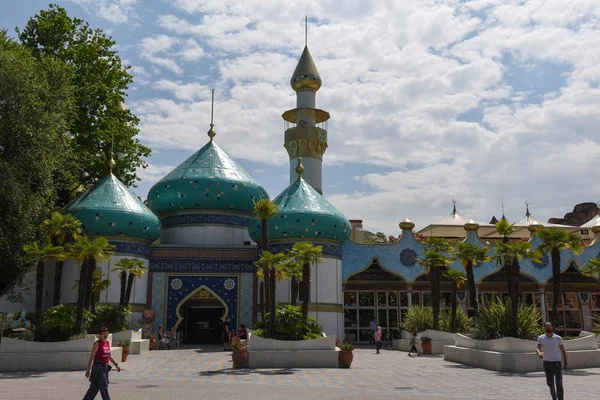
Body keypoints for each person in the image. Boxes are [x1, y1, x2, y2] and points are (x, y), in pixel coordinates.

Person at [83, 327, 121, 400]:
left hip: (105, 368)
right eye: (103, 333)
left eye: (107, 333)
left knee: (94, 388)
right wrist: (88, 370)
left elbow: (109, 356)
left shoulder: (107, 343)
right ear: (99, 335)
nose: (106, 335)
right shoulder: (97, 344)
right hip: (98, 367)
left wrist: (116, 365)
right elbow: (91, 358)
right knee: (103, 386)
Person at [536, 322, 568, 400]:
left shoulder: (558, 338)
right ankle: (554, 397)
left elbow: (563, 351)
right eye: (546, 326)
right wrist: (539, 353)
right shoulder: (541, 338)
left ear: (552, 327)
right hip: (547, 363)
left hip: (557, 362)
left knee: (559, 383)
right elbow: (537, 348)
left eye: (549, 326)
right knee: (550, 383)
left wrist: (565, 363)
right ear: (544, 328)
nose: (548, 327)